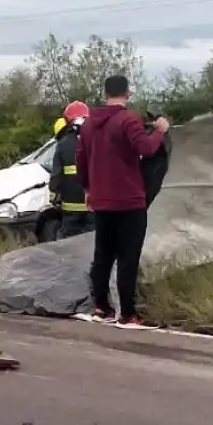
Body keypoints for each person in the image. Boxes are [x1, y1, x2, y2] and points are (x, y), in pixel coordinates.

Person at [76, 75, 170, 328]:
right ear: (127, 93)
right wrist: (160, 131)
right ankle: (127, 314)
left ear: (105, 92)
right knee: (128, 257)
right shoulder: (128, 120)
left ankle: (101, 307)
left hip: (102, 201)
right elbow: (147, 149)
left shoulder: (88, 125)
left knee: (103, 255)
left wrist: (87, 189)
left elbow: (81, 161)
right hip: (130, 201)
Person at [49, 101, 92, 238]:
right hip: (93, 206)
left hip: (70, 208)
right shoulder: (97, 141)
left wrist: (54, 194)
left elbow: (56, 175)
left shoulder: (63, 144)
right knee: (92, 241)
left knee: (70, 244)